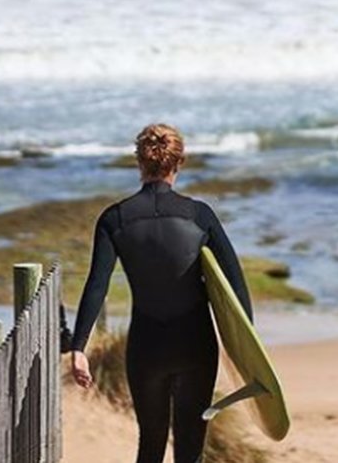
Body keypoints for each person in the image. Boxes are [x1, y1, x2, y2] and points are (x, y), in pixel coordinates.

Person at [69, 123, 253, 463]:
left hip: (147, 346)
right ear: (179, 162)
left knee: (150, 444)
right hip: (195, 344)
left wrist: (79, 346)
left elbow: (98, 282)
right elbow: (235, 283)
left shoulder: (114, 219)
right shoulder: (200, 216)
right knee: (190, 448)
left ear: (139, 162)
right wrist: (247, 351)